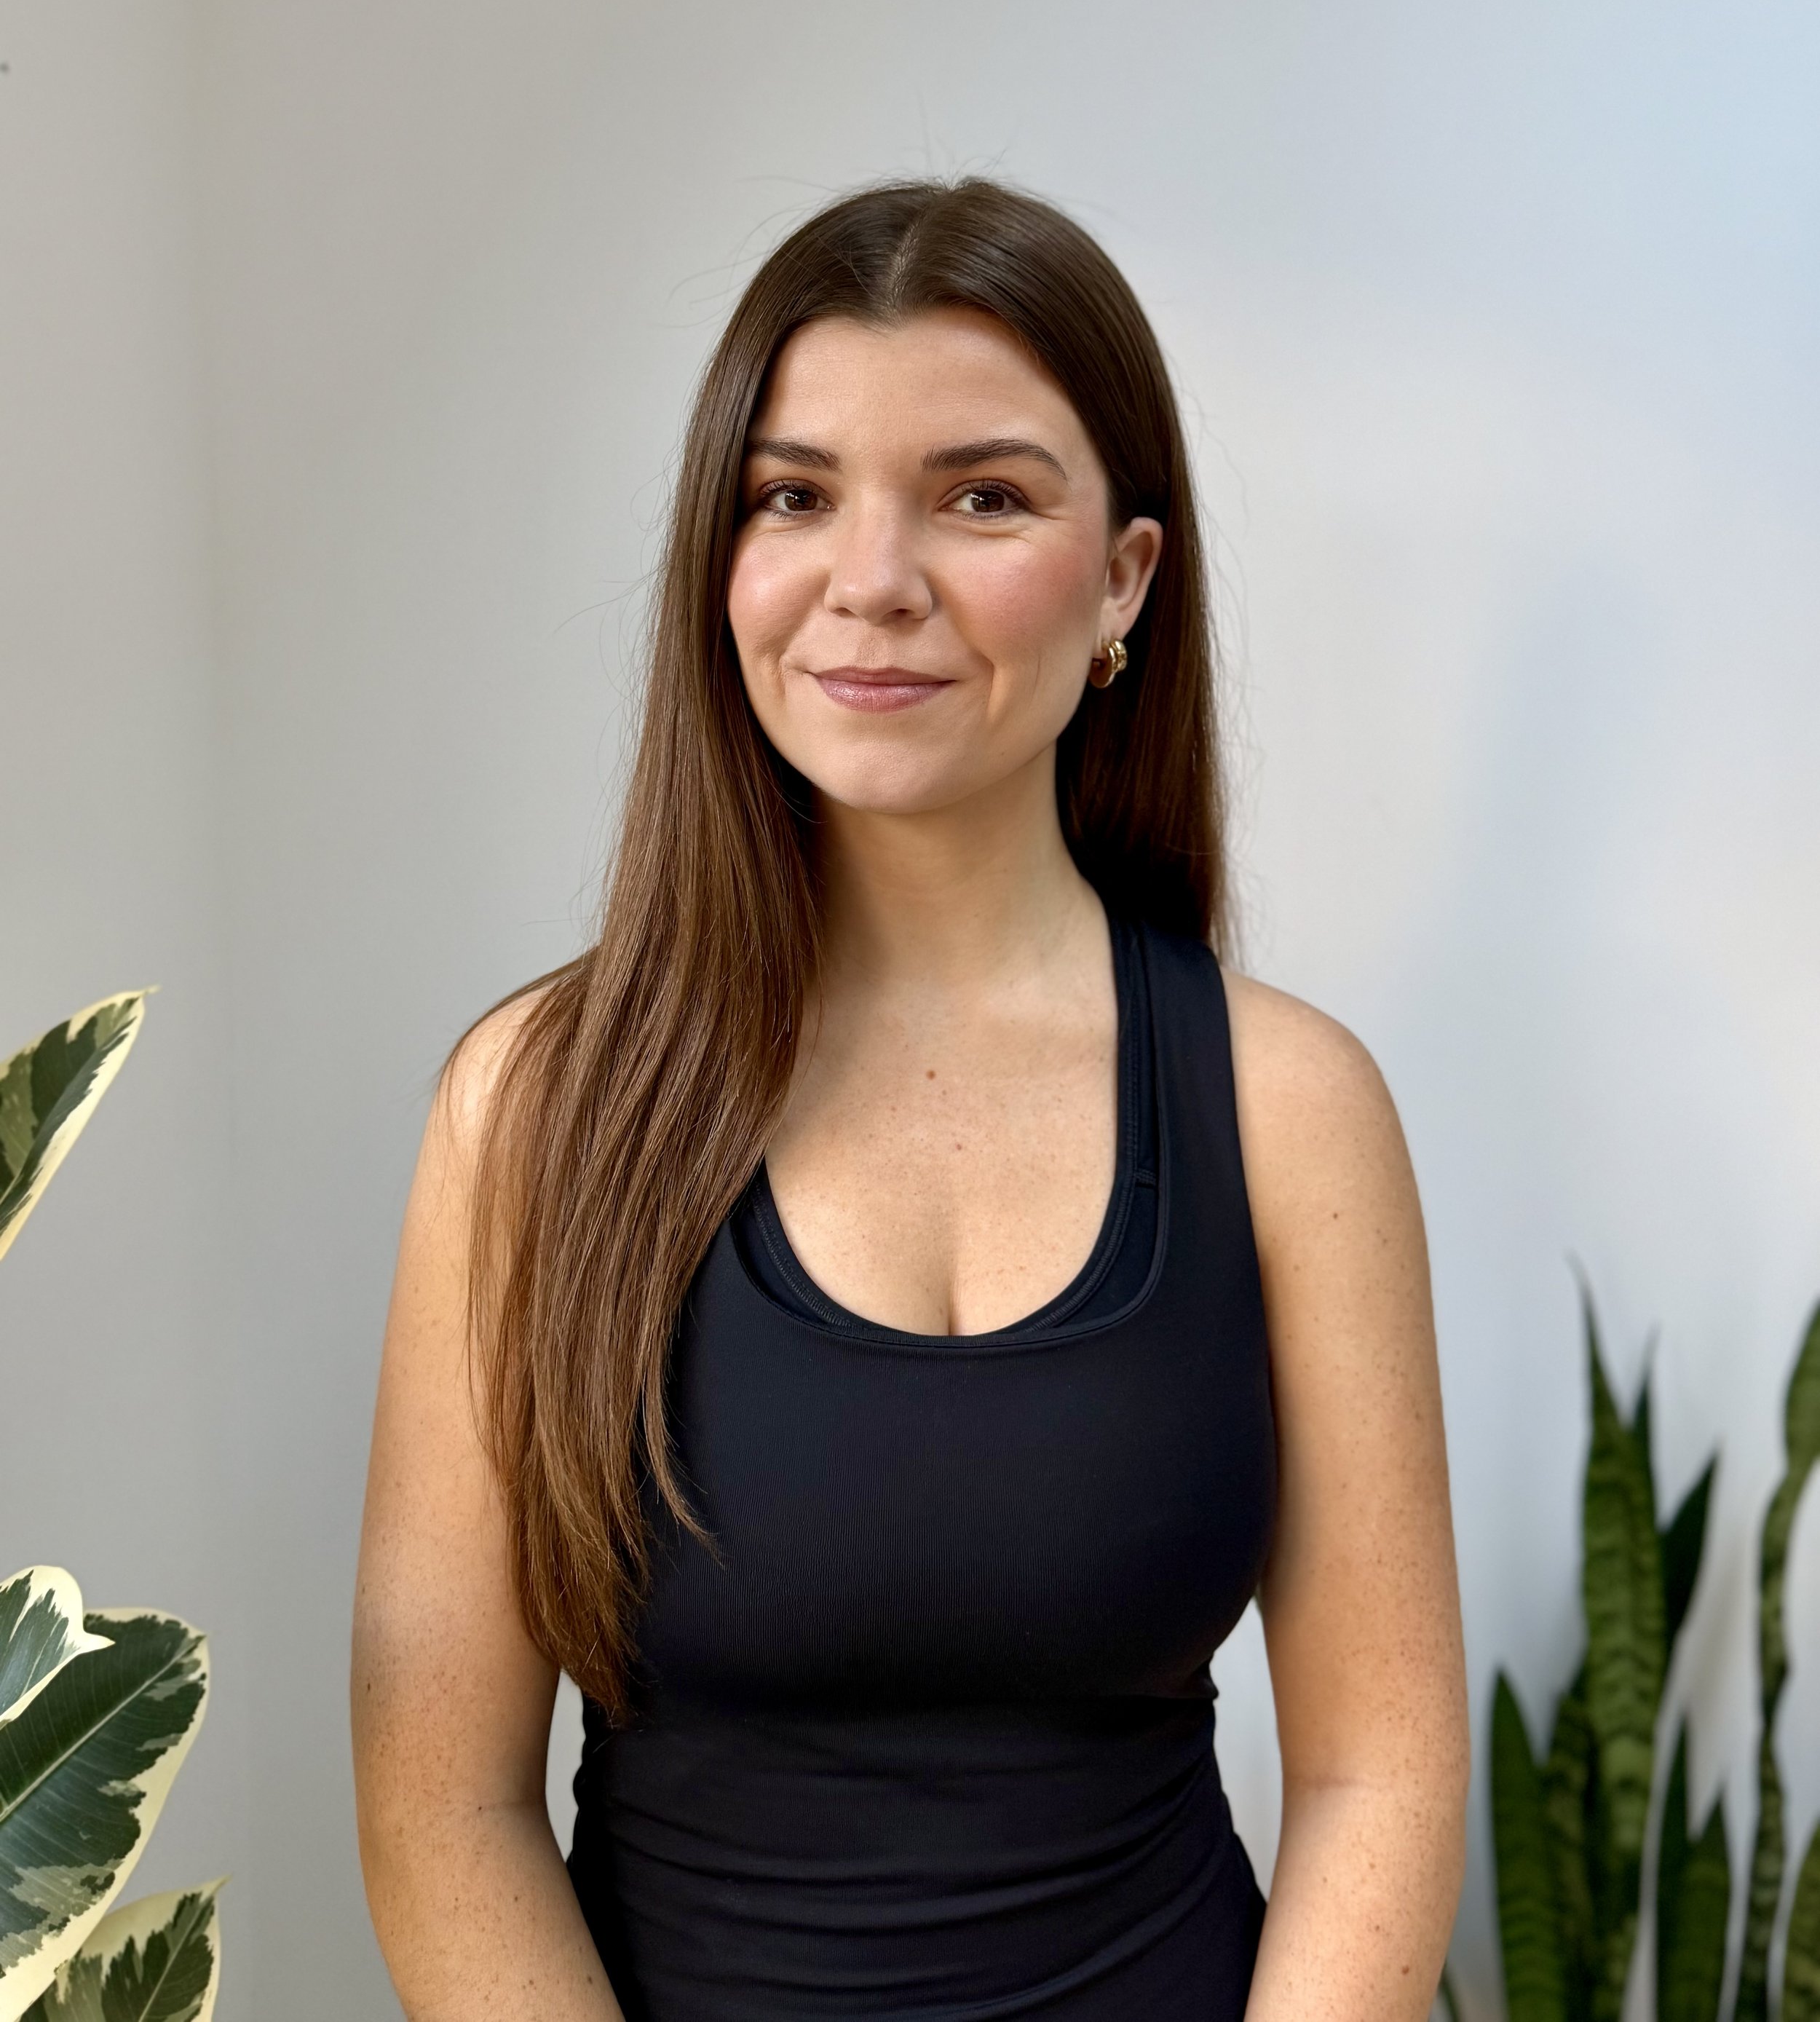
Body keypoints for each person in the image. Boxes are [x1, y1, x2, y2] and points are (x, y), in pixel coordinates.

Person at [351, 177, 1469, 2021]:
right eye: (791, 496)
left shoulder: (1287, 1105)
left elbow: (1379, 1773)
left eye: (981, 496)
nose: (869, 580)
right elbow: (440, 1804)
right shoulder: (535, 1108)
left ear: (1122, 579)